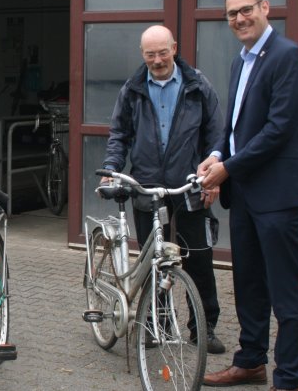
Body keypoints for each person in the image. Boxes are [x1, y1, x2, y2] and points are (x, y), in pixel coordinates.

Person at [198, 0, 298, 391]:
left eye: (246, 10)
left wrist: (227, 168)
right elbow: (235, 127)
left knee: (285, 290)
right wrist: (217, 155)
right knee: (248, 283)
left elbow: (279, 130)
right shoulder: (241, 62)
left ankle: (287, 380)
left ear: (265, 8)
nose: (239, 19)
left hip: (278, 194)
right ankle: (250, 362)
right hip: (246, 192)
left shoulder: (290, 57)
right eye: (232, 14)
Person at [100, 25, 226, 354]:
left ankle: (204, 327)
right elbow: (119, 135)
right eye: (150, 54)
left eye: (163, 52)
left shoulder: (197, 85)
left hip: (188, 189)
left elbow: (216, 134)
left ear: (174, 47)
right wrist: (111, 169)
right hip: (147, 190)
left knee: (198, 260)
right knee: (153, 262)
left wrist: (213, 173)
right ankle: (158, 325)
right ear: (143, 55)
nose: (157, 60)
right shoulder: (133, 88)